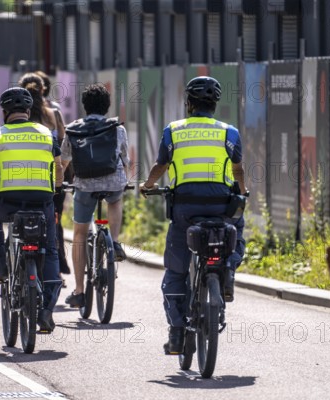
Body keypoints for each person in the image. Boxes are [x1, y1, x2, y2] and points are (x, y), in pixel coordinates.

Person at [139, 76, 247, 355]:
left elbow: (161, 165)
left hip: (185, 211)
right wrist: (243, 192)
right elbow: (238, 171)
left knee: (176, 271)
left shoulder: (173, 131)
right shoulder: (229, 132)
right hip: (220, 209)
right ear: (214, 104)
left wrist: (147, 185)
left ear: (188, 104)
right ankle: (228, 273)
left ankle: (176, 333)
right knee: (237, 230)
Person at [0, 87, 63, 332]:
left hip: (5, 203)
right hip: (41, 204)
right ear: (29, 111)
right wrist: (56, 190)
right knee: (50, 251)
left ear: (5, 111)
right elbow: (59, 169)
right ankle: (47, 311)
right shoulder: (48, 135)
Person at [60, 83, 130, 308]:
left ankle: (80, 291)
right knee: (116, 199)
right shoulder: (117, 128)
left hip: (85, 185)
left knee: (79, 234)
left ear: (84, 106)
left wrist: (62, 182)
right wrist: (124, 179)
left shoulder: (72, 129)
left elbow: (64, 161)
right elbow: (124, 159)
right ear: (107, 106)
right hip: (112, 181)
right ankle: (116, 242)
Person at [20, 72, 71, 281]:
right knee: (53, 221)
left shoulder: (18, 115)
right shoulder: (55, 114)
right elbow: (63, 144)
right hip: (52, 178)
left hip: (21, 177)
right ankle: (56, 268)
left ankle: (17, 264)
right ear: (43, 90)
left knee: (19, 220)